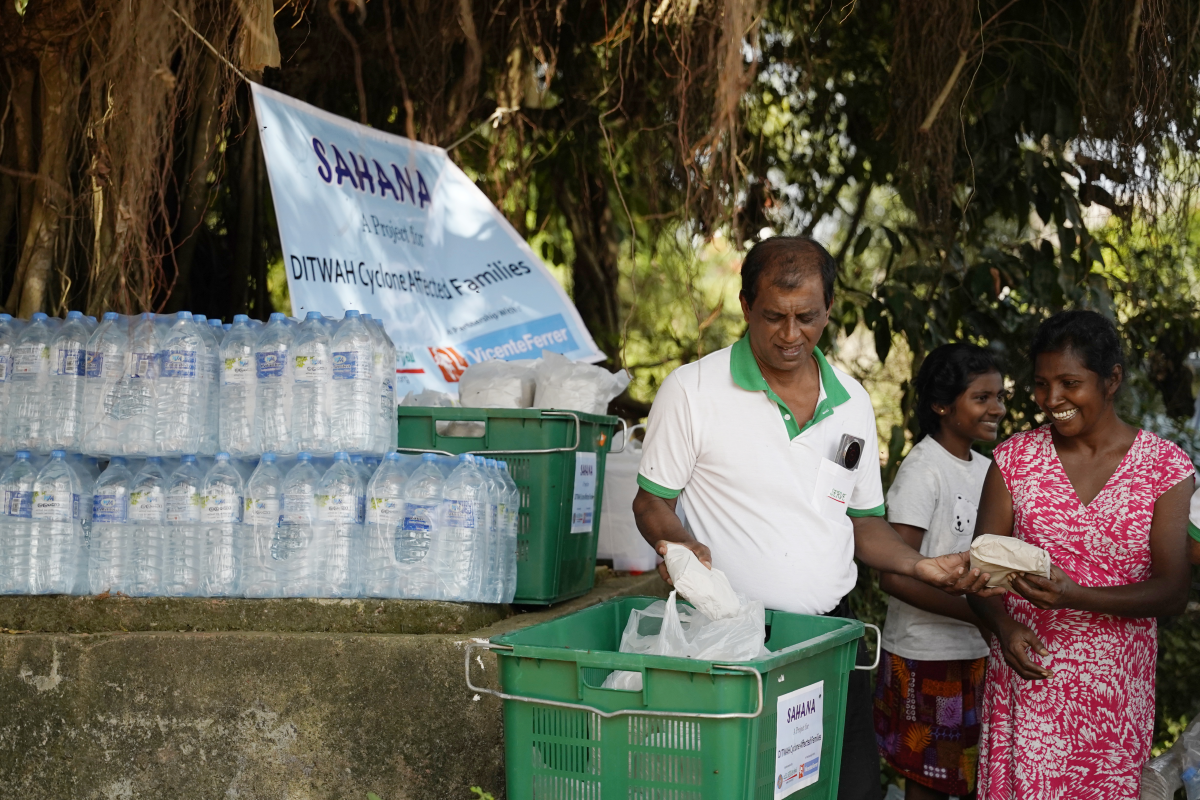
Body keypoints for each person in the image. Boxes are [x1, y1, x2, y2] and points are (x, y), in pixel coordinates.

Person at [633, 235, 994, 800]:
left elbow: (864, 523)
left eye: (807, 317)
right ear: (746, 306)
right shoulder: (693, 390)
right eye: (774, 316)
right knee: (740, 787)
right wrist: (680, 547)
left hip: (831, 637)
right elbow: (651, 501)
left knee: (845, 788)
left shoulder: (850, 400)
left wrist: (919, 567)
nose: (789, 334)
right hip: (731, 641)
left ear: (829, 310)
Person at [967, 310, 1194, 800]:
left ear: (1111, 379)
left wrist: (1075, 594)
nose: (1052, 400)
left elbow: (1174, 591)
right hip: (1029, 686)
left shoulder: (1164, 469)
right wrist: (1004, 628)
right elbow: (979, 572)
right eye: (1042, 384)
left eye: (1070, 382)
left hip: (1114, 701)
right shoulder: (1015, 461)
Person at [873, 343, 1006, 800]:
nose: (997, 408)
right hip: (924, 656)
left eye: (1000, 397)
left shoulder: (990, 470)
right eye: (982, 397)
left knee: (972, 776)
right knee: (926, 781)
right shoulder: (923, 470)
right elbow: (893, 573)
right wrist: (977, 614)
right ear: (942, 405)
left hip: (976, 653)